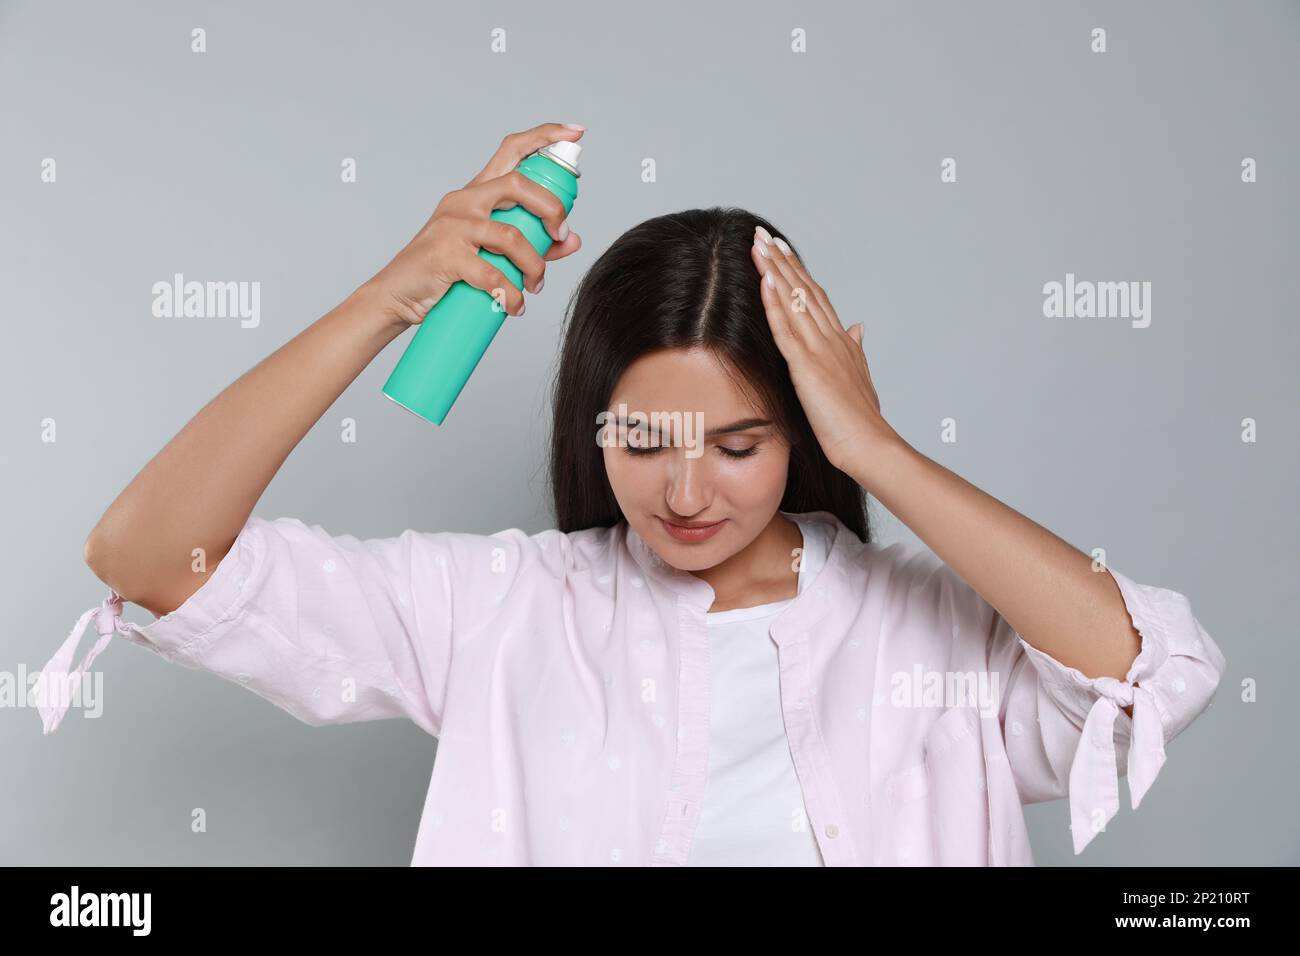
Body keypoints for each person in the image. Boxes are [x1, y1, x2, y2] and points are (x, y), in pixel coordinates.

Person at [38, 122, 1226, 866]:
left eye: (741, 442)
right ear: (592, 421)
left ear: (804, 429)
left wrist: (881, 453)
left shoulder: (931, 632)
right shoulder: (501, 610)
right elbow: (149, 553)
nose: (687, 489)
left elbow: (1136, 666)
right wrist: (389, 297)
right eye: (644, 437)